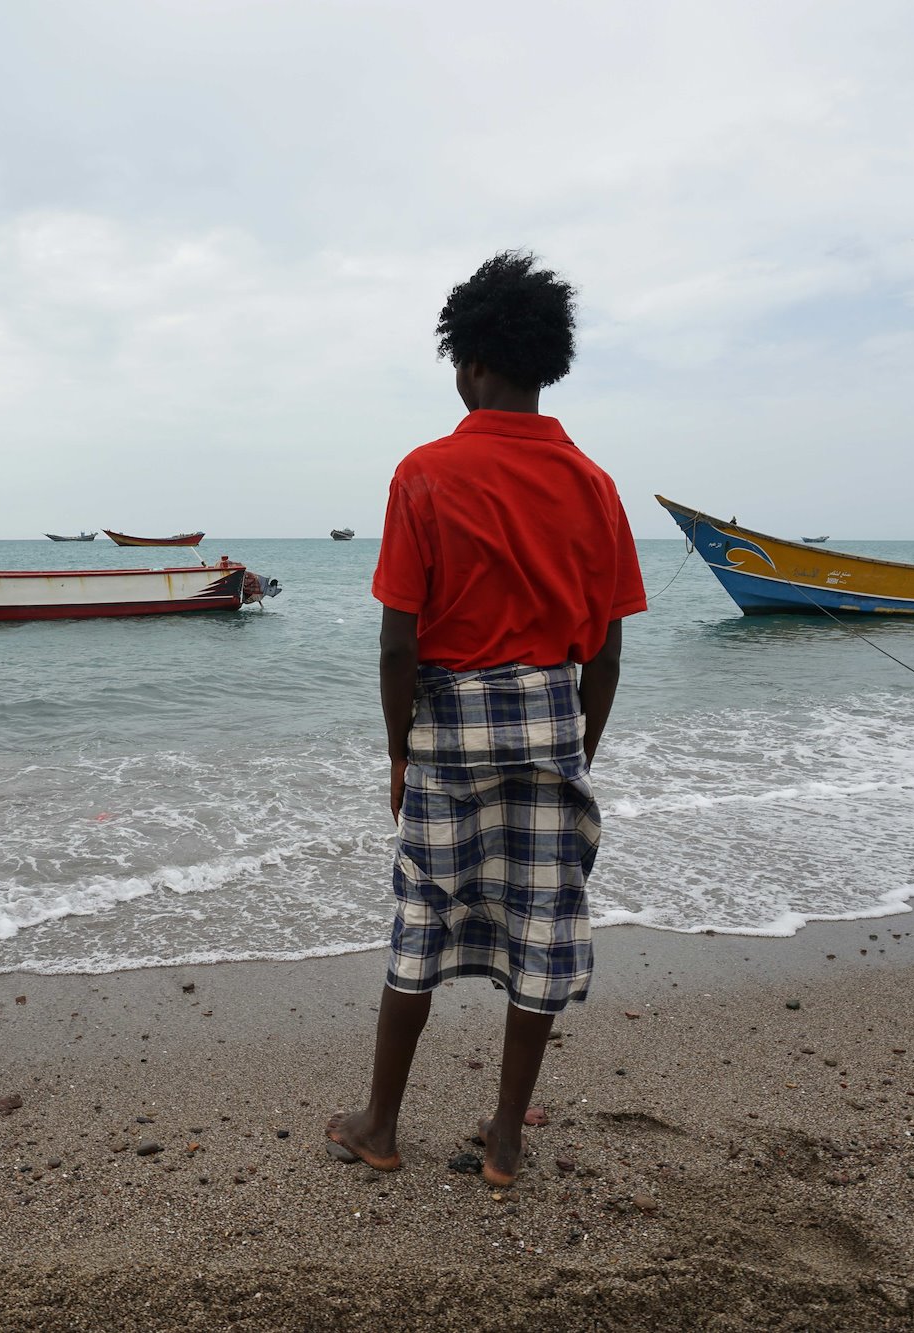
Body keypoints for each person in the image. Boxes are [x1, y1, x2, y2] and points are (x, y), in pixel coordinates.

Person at [327, 251, 647, 1187]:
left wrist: (398, 750)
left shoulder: (424, 475)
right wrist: (579, 745)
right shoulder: (593, 484)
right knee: (542, 920)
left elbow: (398, 643)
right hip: (551, 716)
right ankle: (506, 1138)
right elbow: (610, 652)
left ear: (468, 363)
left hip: (449, 729)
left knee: (424, 916)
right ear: (547, 363)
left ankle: (380, 1124)